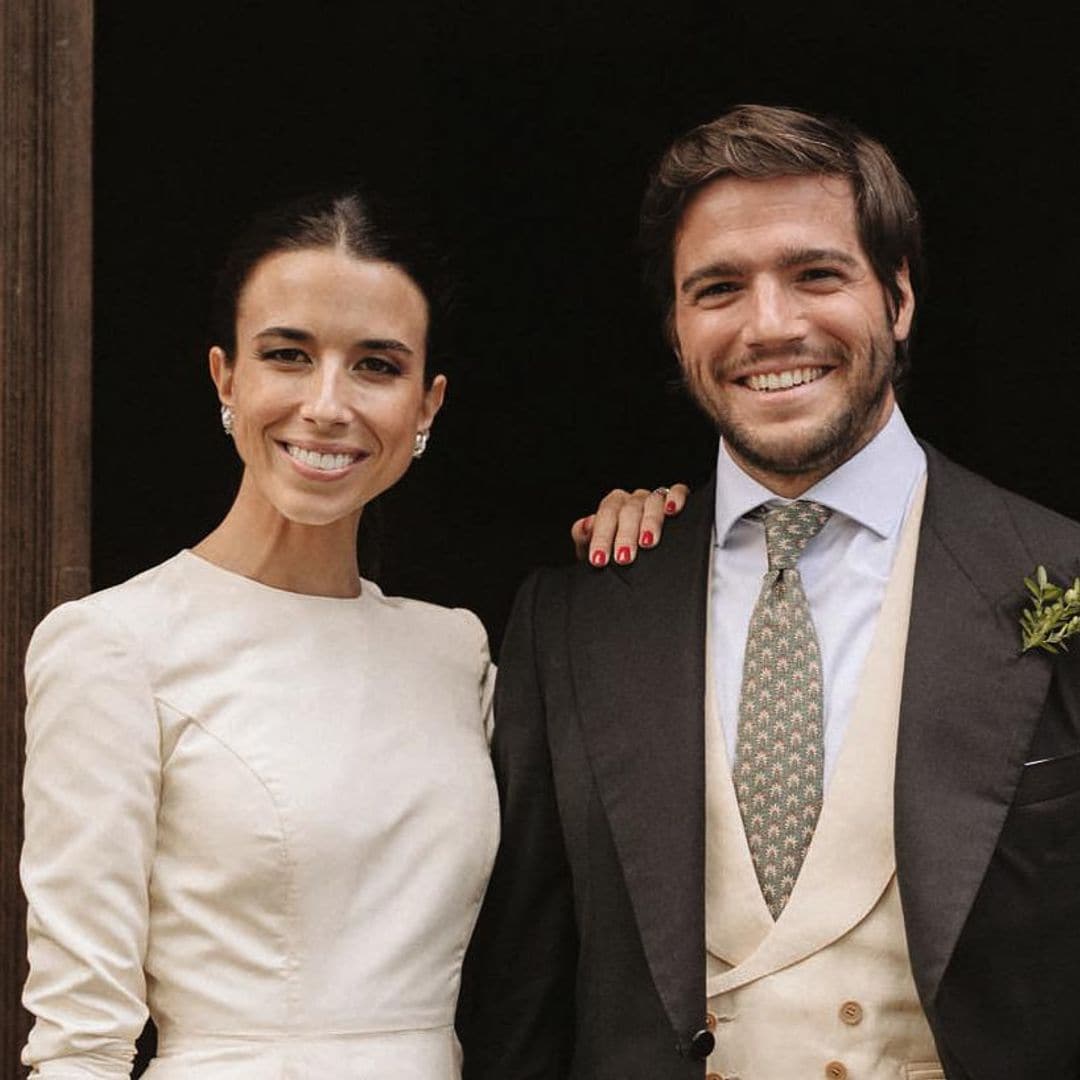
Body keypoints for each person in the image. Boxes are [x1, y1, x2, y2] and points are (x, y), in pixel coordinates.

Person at [458, 105, 1080, 1079]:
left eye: (816, 274)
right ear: (674, 328)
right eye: (718, 288)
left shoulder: (1059, 574)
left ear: (900, 297)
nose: (771, 324)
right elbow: (521, 999)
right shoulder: (577, 616)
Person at [19, 189, 664, 1079]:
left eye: (375, 366)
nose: (327, 405)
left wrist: (668, 555)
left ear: (427, 404)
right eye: (288, 355)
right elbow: (79, 1043)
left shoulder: (453, 650)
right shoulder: (112, 644)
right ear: (225, 378)